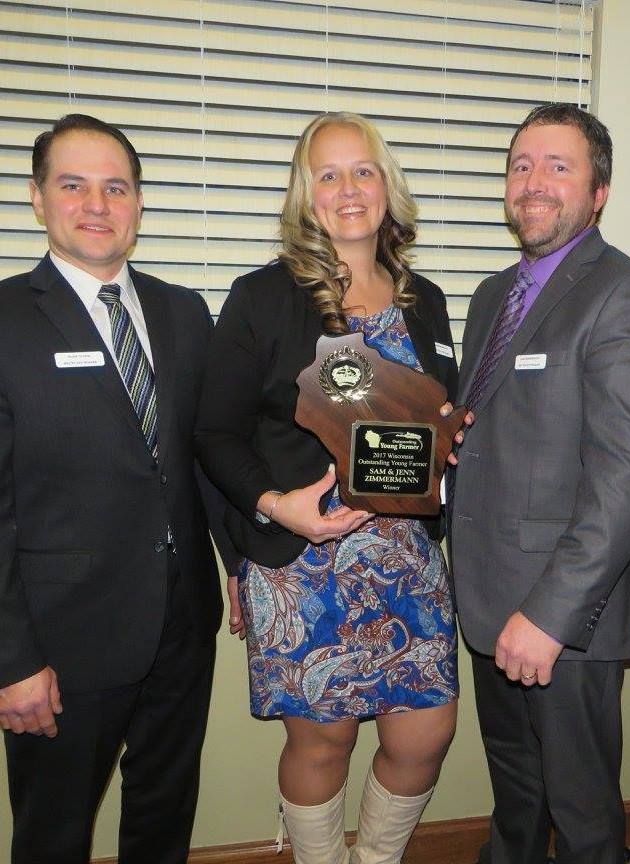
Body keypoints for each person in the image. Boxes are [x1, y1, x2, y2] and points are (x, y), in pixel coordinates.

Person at [195, 112, 459, 864]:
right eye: (329, 174)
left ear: (388, 186)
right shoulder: (262, 297)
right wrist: (276, 507)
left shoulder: (425, 299)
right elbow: (215, 433)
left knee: (426, 732)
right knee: (324, 741)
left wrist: (451, 440)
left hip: (407, 557)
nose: (349, 188)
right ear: (305, 195)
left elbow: (434, 416)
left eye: (364, 170)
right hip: (302, 560)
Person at [445, 103, 630, 864]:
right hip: (489, 598)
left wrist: (549, 617)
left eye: (558, 165)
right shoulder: (493, 296)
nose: (534, 182)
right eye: (521, 165)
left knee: (582, 818)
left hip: (564, 617)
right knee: (517, 801)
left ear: (599, 190)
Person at [0, 114, 226, 864]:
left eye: (116, 187)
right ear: (38, 199)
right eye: (74, 185)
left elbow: (203, 458)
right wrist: (10, 661)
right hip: (61, 646)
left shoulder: (184, 313)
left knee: (164, 823)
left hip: (183, 627)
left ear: (137, 202)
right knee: (53, 836)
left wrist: (247, 571)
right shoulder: (3, 321)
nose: (97, 204)